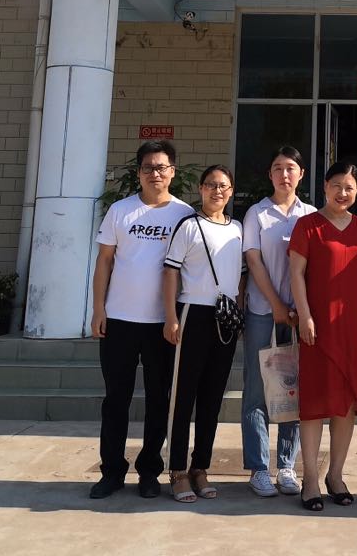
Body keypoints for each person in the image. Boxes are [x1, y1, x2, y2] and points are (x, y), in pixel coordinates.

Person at [89, 139, 194, 500]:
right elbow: (104, 261)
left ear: (173, 172)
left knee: (158, 401)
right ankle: (111, 472)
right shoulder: (120, 211)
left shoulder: (183, 215)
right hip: (118, 320)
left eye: (162, 167)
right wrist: (98, 309)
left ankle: (150, 471)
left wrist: (177, 318)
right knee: (115, 399)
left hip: (162, 324)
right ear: (138, 172)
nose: (155, 174)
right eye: (148, 167)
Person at [288, 162, 357, 512]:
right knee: (313, 405)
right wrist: (305, 315)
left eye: (349, 187)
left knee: (346, 403)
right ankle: (310, 478)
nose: (343, 193)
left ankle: (335, 476)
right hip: (318, 327)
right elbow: (297, 273)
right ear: (324, 187)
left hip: (354, 327)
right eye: (337, 185)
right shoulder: (307, 225)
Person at [162, 165, 244, 503]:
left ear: (231, 191)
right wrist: (171, 317)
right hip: (192, 313)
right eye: (211, 185)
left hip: (224, 318)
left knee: (212, 398)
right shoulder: (188, 226)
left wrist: (237, 314)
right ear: (201, 189)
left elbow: (240, 276)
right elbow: (170, 272)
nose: (217, 191)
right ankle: (177, 471)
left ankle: (200, 468)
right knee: (183, 397)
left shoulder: (237, 228)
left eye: (223, 186)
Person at [240, 146, 313, 497]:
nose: (284, 174)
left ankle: (286, 465)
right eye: (278, 168)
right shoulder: (256, 213)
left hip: (298, 316)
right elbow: (253, 262)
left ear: (301, 174)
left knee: (292, 388)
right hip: (262, 312)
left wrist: (300, 309)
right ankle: (258, 468)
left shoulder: (310, 214)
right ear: (270, 174)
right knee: (257, 390)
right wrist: (277, 305)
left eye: (290, 168)